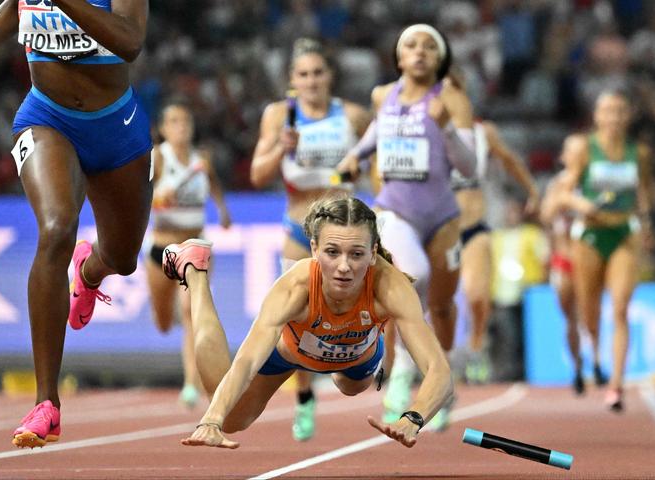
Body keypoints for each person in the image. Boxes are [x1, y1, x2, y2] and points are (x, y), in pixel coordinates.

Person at [0, 0, 153, 447]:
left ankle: (90, 272)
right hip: (46, 117)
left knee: (123, 257)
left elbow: (131, 42)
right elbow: (14, 8)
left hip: (117, 127)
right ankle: (46, 403)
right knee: (56, 229)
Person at [174, 196, 453, 449]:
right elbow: (246, 363)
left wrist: (413, 418)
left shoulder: (390, 286)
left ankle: (348, 354)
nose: (344, 266)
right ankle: (196, 272)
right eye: (332, 252)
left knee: (352, 387)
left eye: (356, 254)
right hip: (288, 354)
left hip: (356, 357)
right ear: (314, 249)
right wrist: (211, 420)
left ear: (372, 254)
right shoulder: (295, 287)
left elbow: (439, 370)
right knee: (234, 419)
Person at [337, 24, 477, 430]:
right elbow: (376, 133)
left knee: (443, 306)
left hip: (443, 217)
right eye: (411, 45)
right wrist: (354, 157)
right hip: (396, 211)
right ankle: (398, 373)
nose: (419, 52)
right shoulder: (384, 94)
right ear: (399, 57)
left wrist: (447, 126)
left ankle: (441, 382)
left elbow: (470, 168)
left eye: (429, 47)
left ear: (440, 58)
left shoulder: (452, 97)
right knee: (411, 279)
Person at [250, 38, 370, 441]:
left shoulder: (351, 114)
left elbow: (376, 159)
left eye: (318, 72)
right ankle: (303, 397)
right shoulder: (279, 115)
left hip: (345, 237)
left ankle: (370, 368)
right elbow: (257, 174)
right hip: (299, 229)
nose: (311, 80)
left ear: (329, 76)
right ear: (291, 80)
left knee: (362, 305)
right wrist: (279, 149)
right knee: (297, 317)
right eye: (303, 74)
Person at [559, 90, 654, 411]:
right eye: (606, 111)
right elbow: (564, 193)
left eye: (618, 111)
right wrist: (581, 203)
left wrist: (646, 221)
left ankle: (616, 385)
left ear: (627, 116)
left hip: (623, 233)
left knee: (621, 309)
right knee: (590, 312)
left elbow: (643, 194)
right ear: (597, 116)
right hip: (589, 236)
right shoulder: (585, 148)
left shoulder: (637, 152)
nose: (612, 117)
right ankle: (595, 355)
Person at [445, 71, 539, 383]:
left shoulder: (484, 133)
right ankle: (428, 359)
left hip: (475, 225)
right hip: (435, 227)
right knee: (433, 298)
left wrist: (532, 190)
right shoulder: (422, 132)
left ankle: (476, 349)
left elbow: (510, 160)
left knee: (476, 293)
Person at [146, 102, 231, 408]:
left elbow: (214, 186)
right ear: (163, 128)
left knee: (190, 311)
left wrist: (222, 210)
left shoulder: (201, 160)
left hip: (195, 247)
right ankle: (171, 318)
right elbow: (139, 198)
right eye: (174, 121)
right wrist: (157, 198)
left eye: (185, 120)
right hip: (161, 249)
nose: (181, 126)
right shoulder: (158, 156)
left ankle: (190, 385)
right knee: (164, 322)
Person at [539, 171, 605, 395]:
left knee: (591, 313)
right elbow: (545, 216)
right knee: (570, 318)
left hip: (586, 257)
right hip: (562, 260)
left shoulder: (592, 182)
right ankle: (577, 367)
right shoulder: (557, 184)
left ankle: (596, 362)